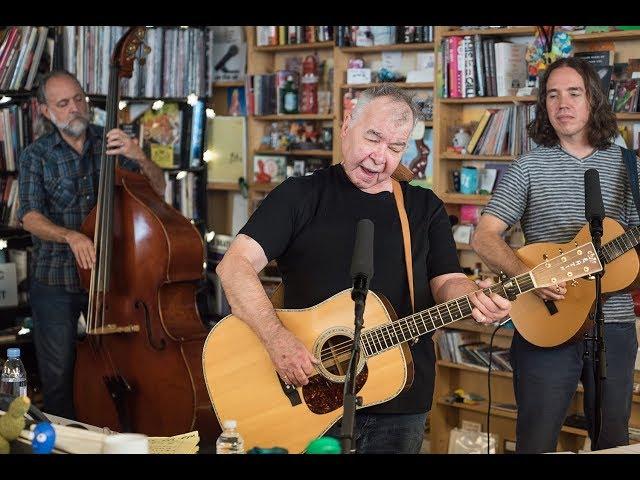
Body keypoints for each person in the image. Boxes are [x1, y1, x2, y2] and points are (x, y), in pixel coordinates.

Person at [216, 84, 511, 453]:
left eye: (395, 147)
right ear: (346, 128)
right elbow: (235, 265)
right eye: (373, 138)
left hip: (401, 395)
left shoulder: (423, 207)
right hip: (305, 392)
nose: (380, 157)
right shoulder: (300, 195)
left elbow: (447, 281)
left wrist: (473, 296)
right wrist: (276, 338)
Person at [472, 57, 640, 453]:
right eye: (553, 95)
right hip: (544, 325)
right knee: (535, 441)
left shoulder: (628, 166)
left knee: (613, 443)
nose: (562, 103)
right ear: (544, 105)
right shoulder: (527, 167)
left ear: (593, 100)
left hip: (613, 327)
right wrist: (531, 276)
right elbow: (484, 237)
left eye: (574, 93)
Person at [17, 70, 166, 419]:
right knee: (59, 378)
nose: (74, 109)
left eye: (79, 99)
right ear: (45, 111)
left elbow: (158, 190)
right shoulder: (35, 156)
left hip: (111, 279)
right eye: (63, 104)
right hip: (56, 281)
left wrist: (140, 156)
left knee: (125, 367)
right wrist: (70, 235)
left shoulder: (112, 143)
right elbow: (29, 217)